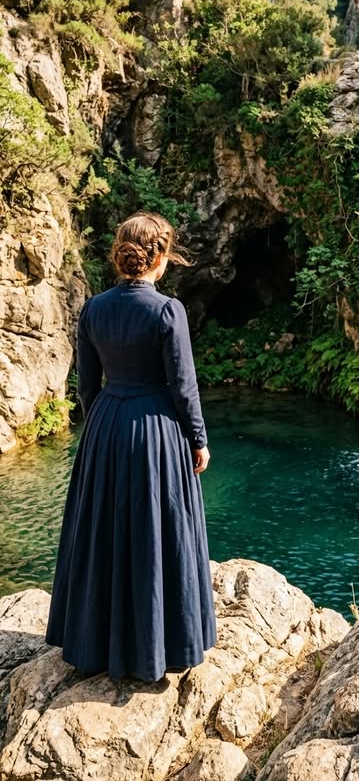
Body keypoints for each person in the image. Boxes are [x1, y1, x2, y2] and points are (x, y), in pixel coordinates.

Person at [45, 211, 216, 682]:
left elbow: (86, 384)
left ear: (121, 254)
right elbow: (183, 387)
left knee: (102, 530)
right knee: (159, 529)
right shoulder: (166, 311)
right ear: (160, 258)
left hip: (105, 424)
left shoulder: (93, 308)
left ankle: (95, 644)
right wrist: (198, 439)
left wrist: (102, 424)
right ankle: (162, 645)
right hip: (156, 430)